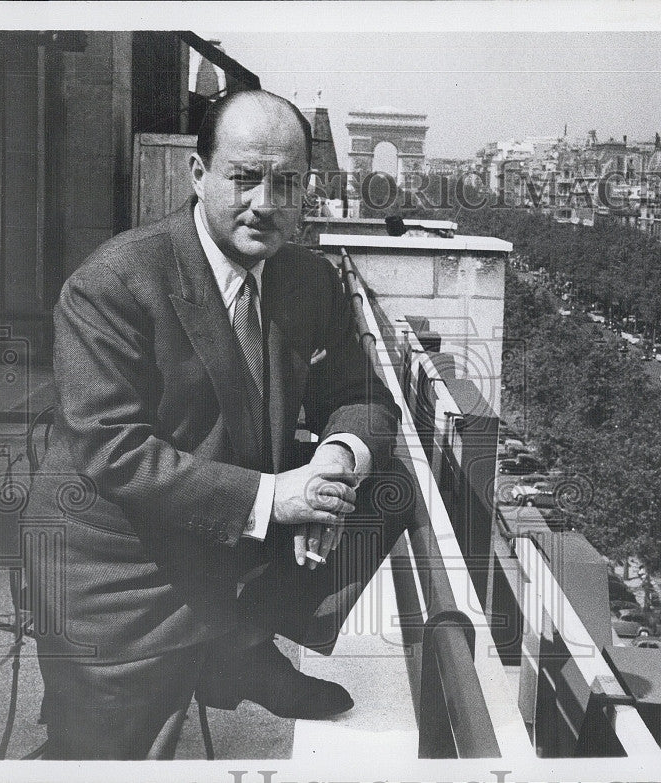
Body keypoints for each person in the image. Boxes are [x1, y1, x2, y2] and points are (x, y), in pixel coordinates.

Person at [22, 90, 403, 759]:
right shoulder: (112, 281)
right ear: (197, 176)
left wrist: (333, 467)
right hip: (122, 571)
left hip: (227, 543)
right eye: (245, 177)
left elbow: (364, 394)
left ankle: (239, 644)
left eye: (287, 183)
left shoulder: (311, 281)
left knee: (384, 483)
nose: (266, 202)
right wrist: (279, 498)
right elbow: (117, 451)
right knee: (95, 763)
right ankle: (219, 650)